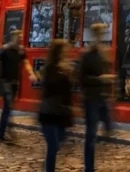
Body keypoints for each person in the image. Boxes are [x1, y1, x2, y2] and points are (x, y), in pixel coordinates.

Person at [80, 23, 115, 172]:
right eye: (100, 33)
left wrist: (110, 92)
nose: (102, 36)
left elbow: (106, 72)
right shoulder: (86, 55)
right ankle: (89, 167)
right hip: (91, 99)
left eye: (103, 33)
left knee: (108, 128)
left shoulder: (103, 53)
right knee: (91, 134)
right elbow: (82, 80)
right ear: (94, 35)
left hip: (102, 98)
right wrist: (101, 79)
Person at [39, 40, 73, 172]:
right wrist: (62, 72)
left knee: (58, 143)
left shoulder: (65, 67)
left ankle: (48, 164)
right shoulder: (49, 68)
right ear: (58, 52)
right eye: (64, 50)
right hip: (48, 112)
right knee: (53, 146)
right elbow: (49, 87)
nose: (67, 52)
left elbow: (67, 91)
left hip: (61, 113)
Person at [0, 30, 37, 142]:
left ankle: (4, 130)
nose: (20, 39)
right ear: (13, 37)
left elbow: (26, 63)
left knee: (8, 107)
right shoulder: (4, 49)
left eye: (21, 37)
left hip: (14, 82)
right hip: (5, 81)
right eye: (18, 37)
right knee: (8, 106)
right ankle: (3, 132)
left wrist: (32, 73)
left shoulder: (20, 51)